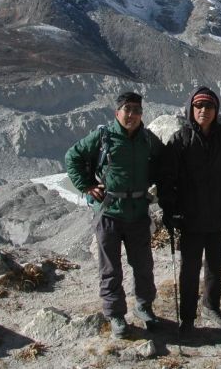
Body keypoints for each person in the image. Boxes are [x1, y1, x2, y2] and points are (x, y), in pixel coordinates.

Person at [65, 91, 164, 338]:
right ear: (117, 112)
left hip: (138, 212)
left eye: (137, 110)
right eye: (127, 109)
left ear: (142, 114)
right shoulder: (103, 137)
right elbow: (73, 156)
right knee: (110, 269)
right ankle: (116, 315)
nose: (132, 115)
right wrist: (87, 186)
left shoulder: (147, 139)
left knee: (143, 265)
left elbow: (165, 161)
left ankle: (144, 306)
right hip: (109, 212)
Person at [159, 86, 221, 335]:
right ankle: (187, 317)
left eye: (209, 107)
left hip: (218, 217)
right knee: (189, 269)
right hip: (190, 218)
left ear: (216, 111)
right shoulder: (180, 139)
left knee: (215, 266)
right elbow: (167, 179)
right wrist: (172, 210)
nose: (203, 111)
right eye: (199, 106)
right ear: (191, 109)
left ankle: (211, 307)